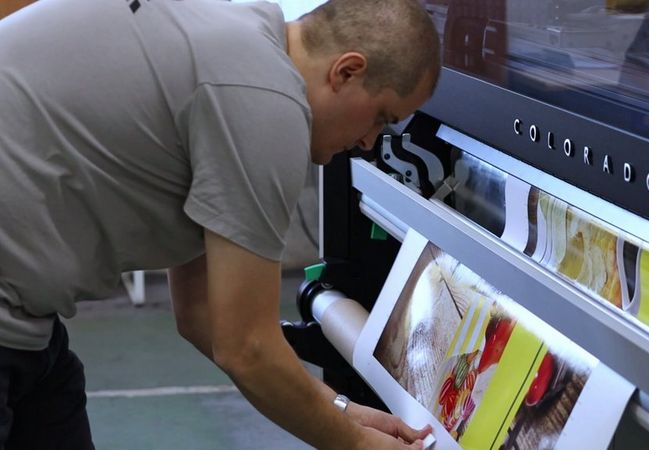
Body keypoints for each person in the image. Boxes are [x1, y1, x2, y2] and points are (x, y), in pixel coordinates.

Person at [0, 0, 441, 448]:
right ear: (346, 71)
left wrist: (341, 411)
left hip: (26, 323)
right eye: (381, 117)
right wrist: (359, 444)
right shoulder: (264, 101)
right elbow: (246, 348)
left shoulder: (239, 43)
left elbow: (200, 315)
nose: (369, 142)